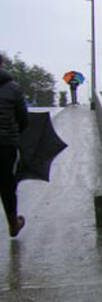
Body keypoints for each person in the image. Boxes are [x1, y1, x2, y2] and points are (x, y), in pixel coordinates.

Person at [0, 55, 28, 237]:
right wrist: (16, 134)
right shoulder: (13, 88)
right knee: (7, 184)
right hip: (5, 144)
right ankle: (13, 223)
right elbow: (23, 118)